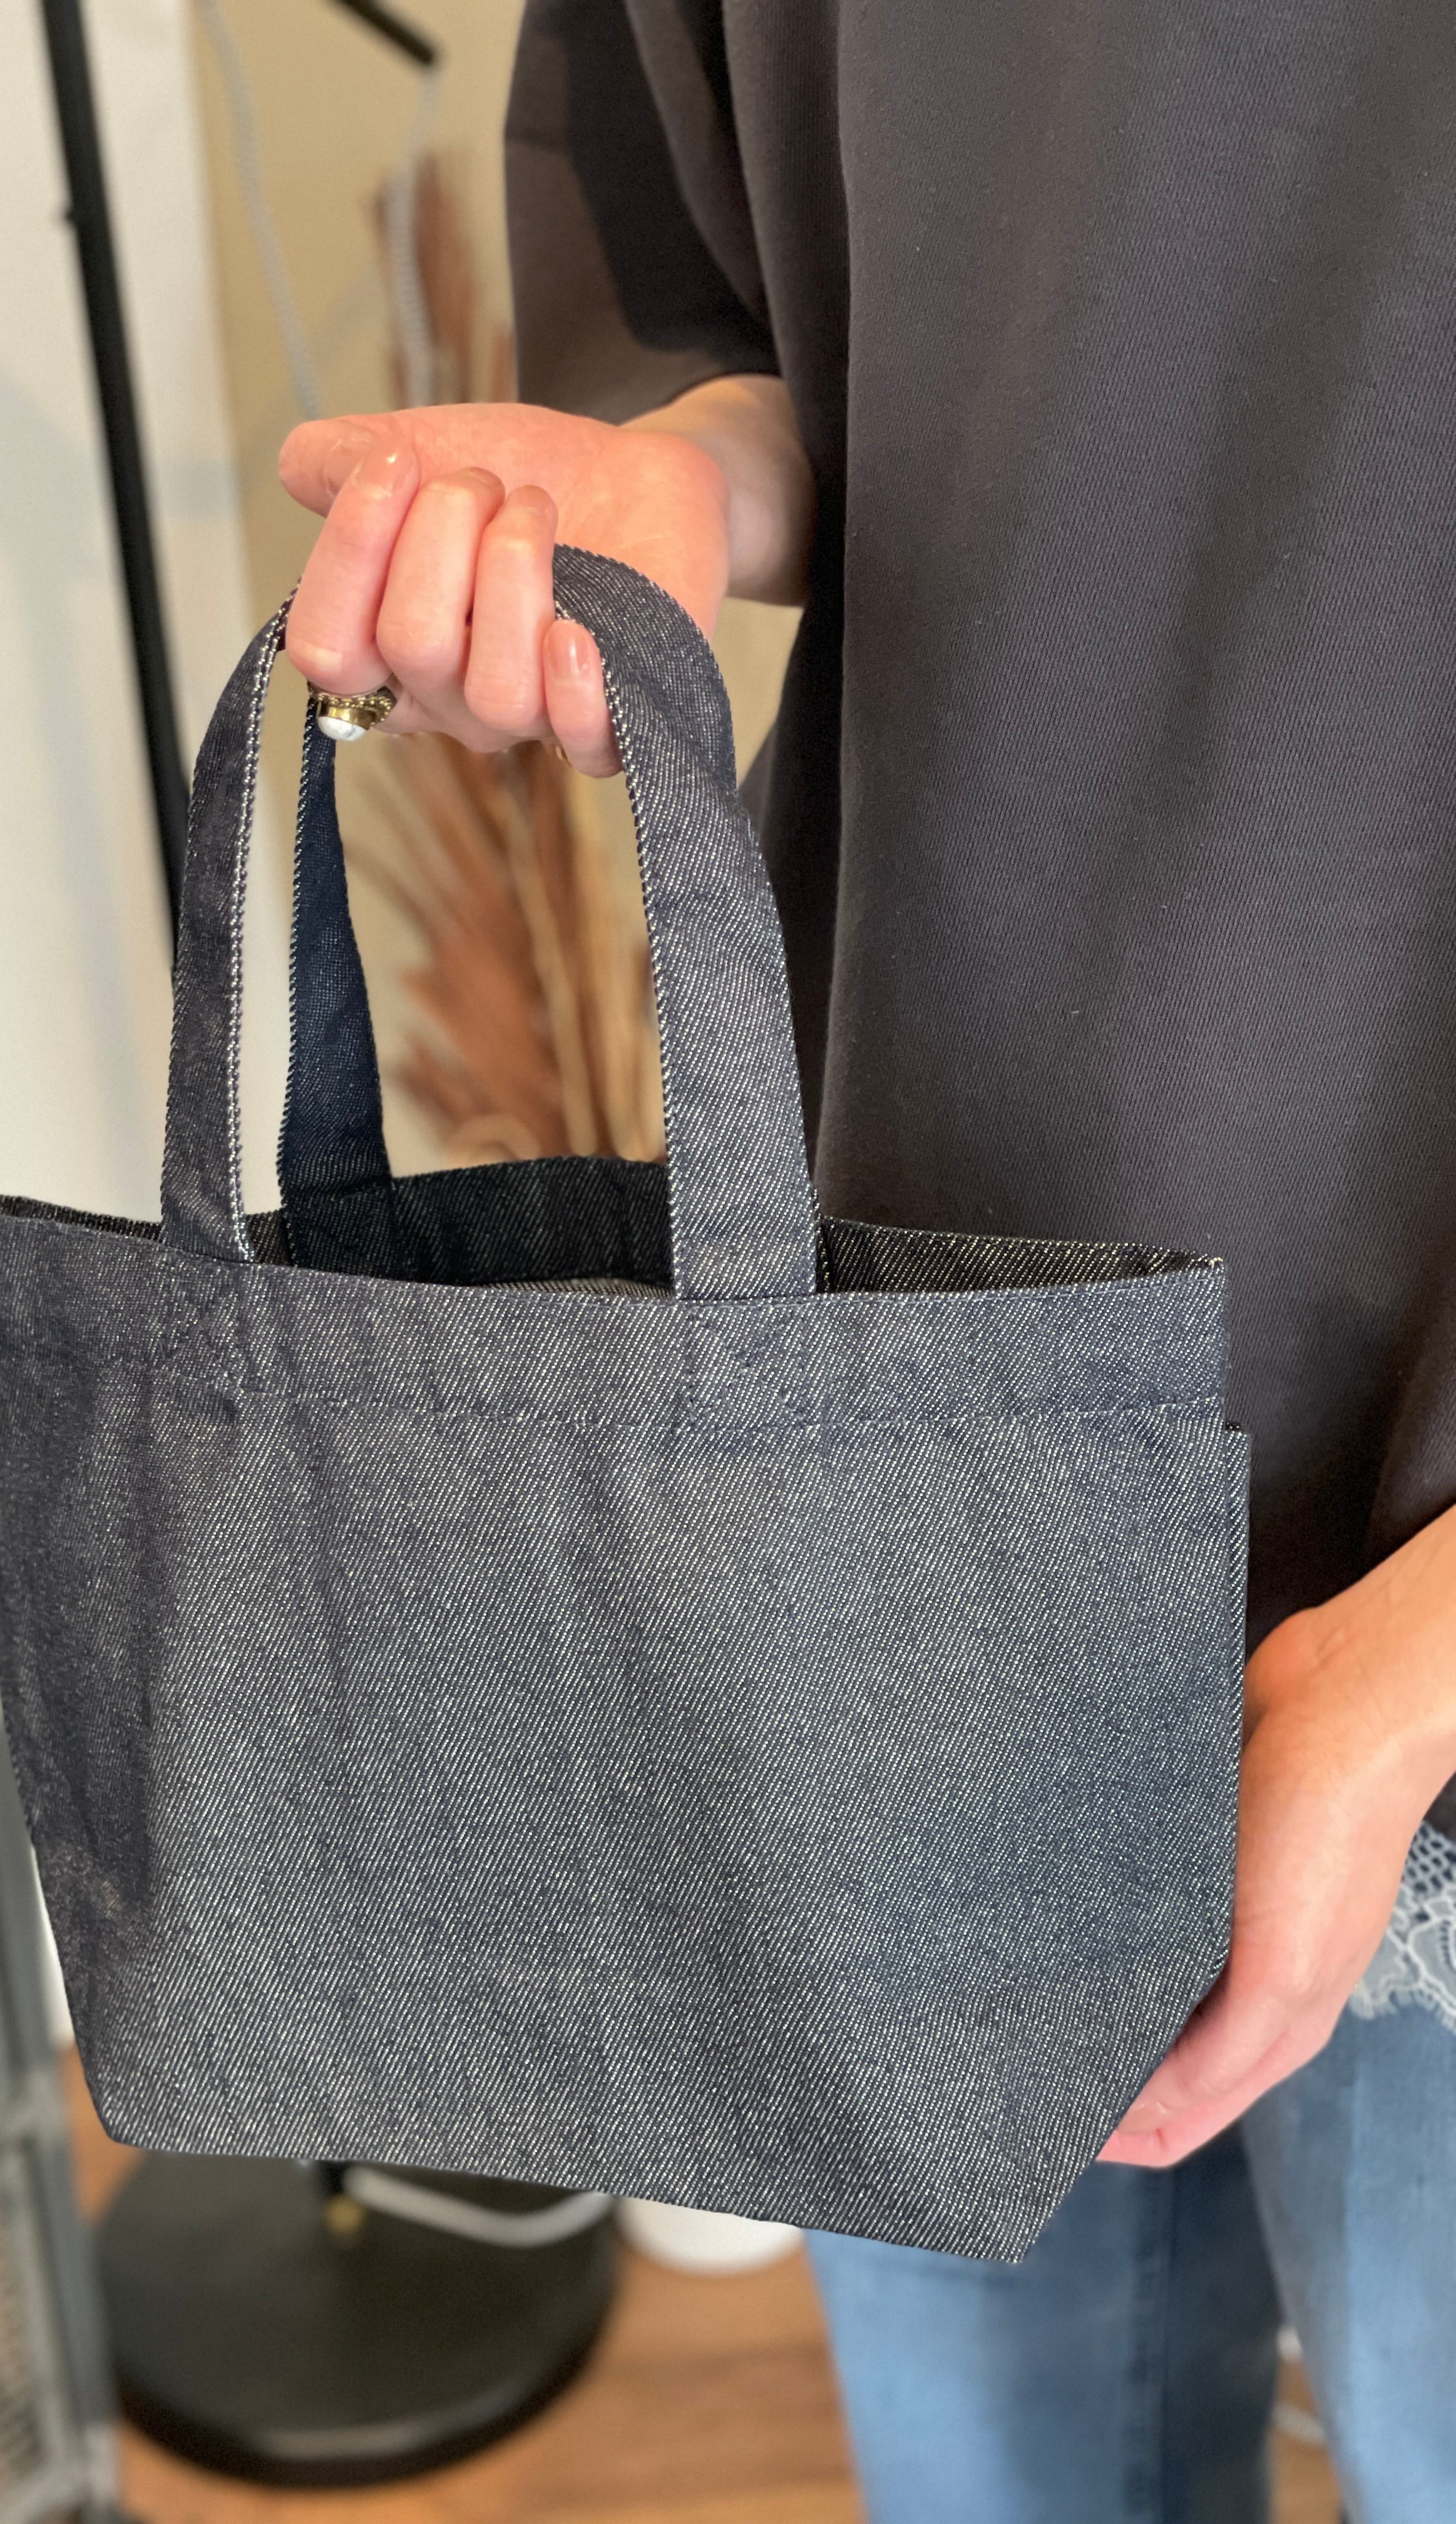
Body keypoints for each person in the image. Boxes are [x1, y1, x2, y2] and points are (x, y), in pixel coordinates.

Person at [277, 6, 1456, 2515]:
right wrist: (687, 483)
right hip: (910, 1403)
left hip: (1414, 1554)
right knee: (1003, 2475)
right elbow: (785, 316)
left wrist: (1420, 1672)